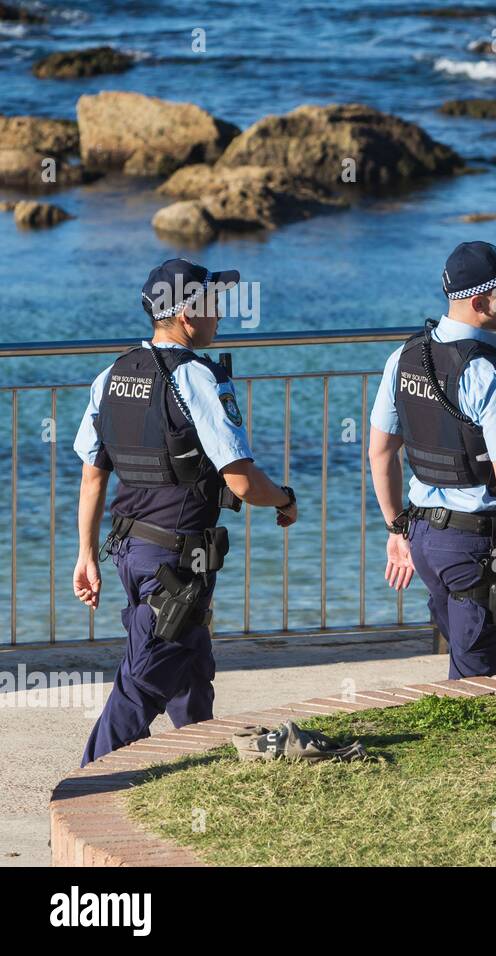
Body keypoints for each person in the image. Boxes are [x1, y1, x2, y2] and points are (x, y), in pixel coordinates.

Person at [73, 258, 298, 766]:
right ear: (187, 314)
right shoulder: (199, 378)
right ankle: (84, 787)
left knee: (191, 669)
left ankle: (201, 768)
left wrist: (85, 554)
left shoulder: (111, 375)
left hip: (130, 552)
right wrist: (284, 499)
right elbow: (240, 480)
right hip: (175, 562)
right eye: (213, 302)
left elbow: (93, 473)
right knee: (143, 685)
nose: (221, 312)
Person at [368, 241, 496, 679]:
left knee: (472, 658)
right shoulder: (492, 377)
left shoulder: (404, 357)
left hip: (425, 539)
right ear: (482, 301)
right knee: (483, 680)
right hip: (478, 547)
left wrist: (395, 529)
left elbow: (381, 451)